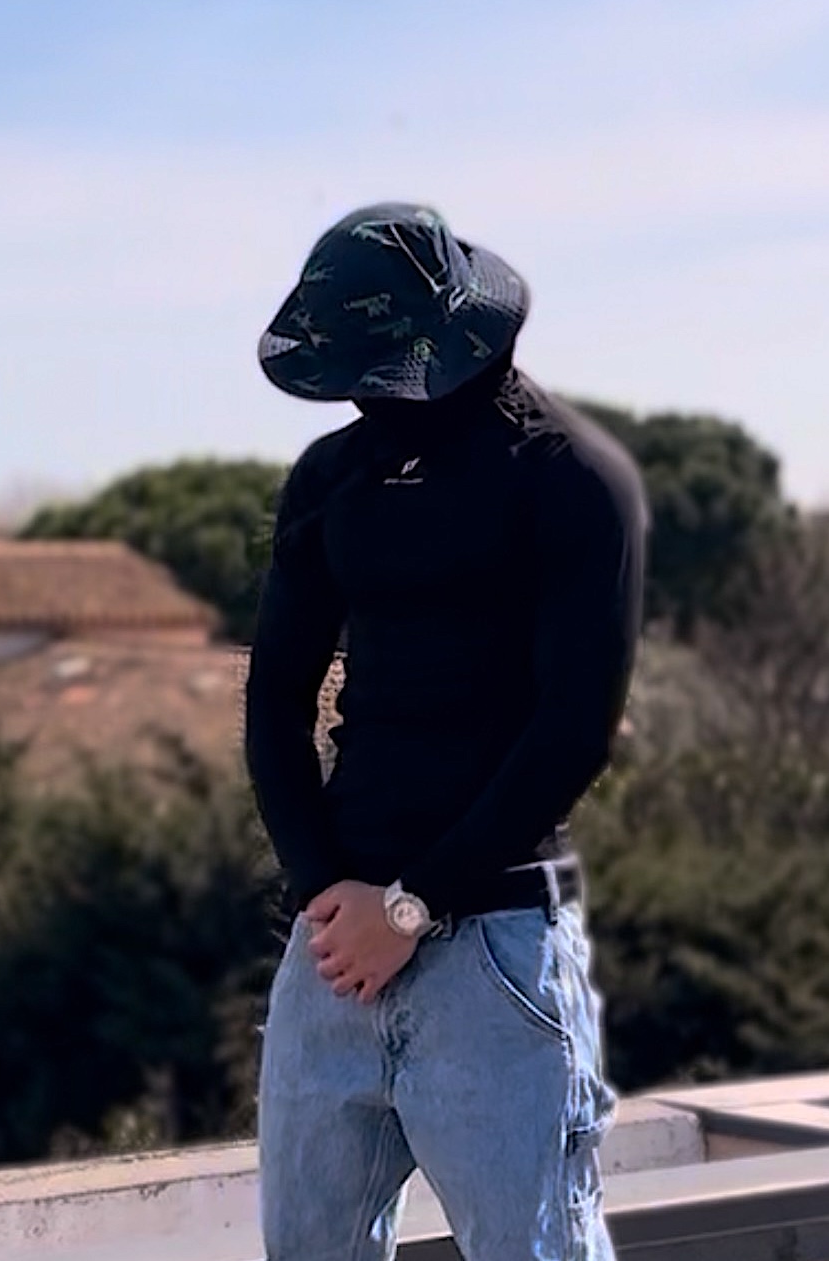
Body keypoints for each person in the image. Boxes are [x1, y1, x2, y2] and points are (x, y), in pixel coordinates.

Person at [245, 201, 648, 1261]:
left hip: (493, 951)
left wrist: (410, 905)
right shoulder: (330, 480)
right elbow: (275, 696)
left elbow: (572, 729)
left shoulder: (569, 477)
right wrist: (326, 892)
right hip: (334, 949)